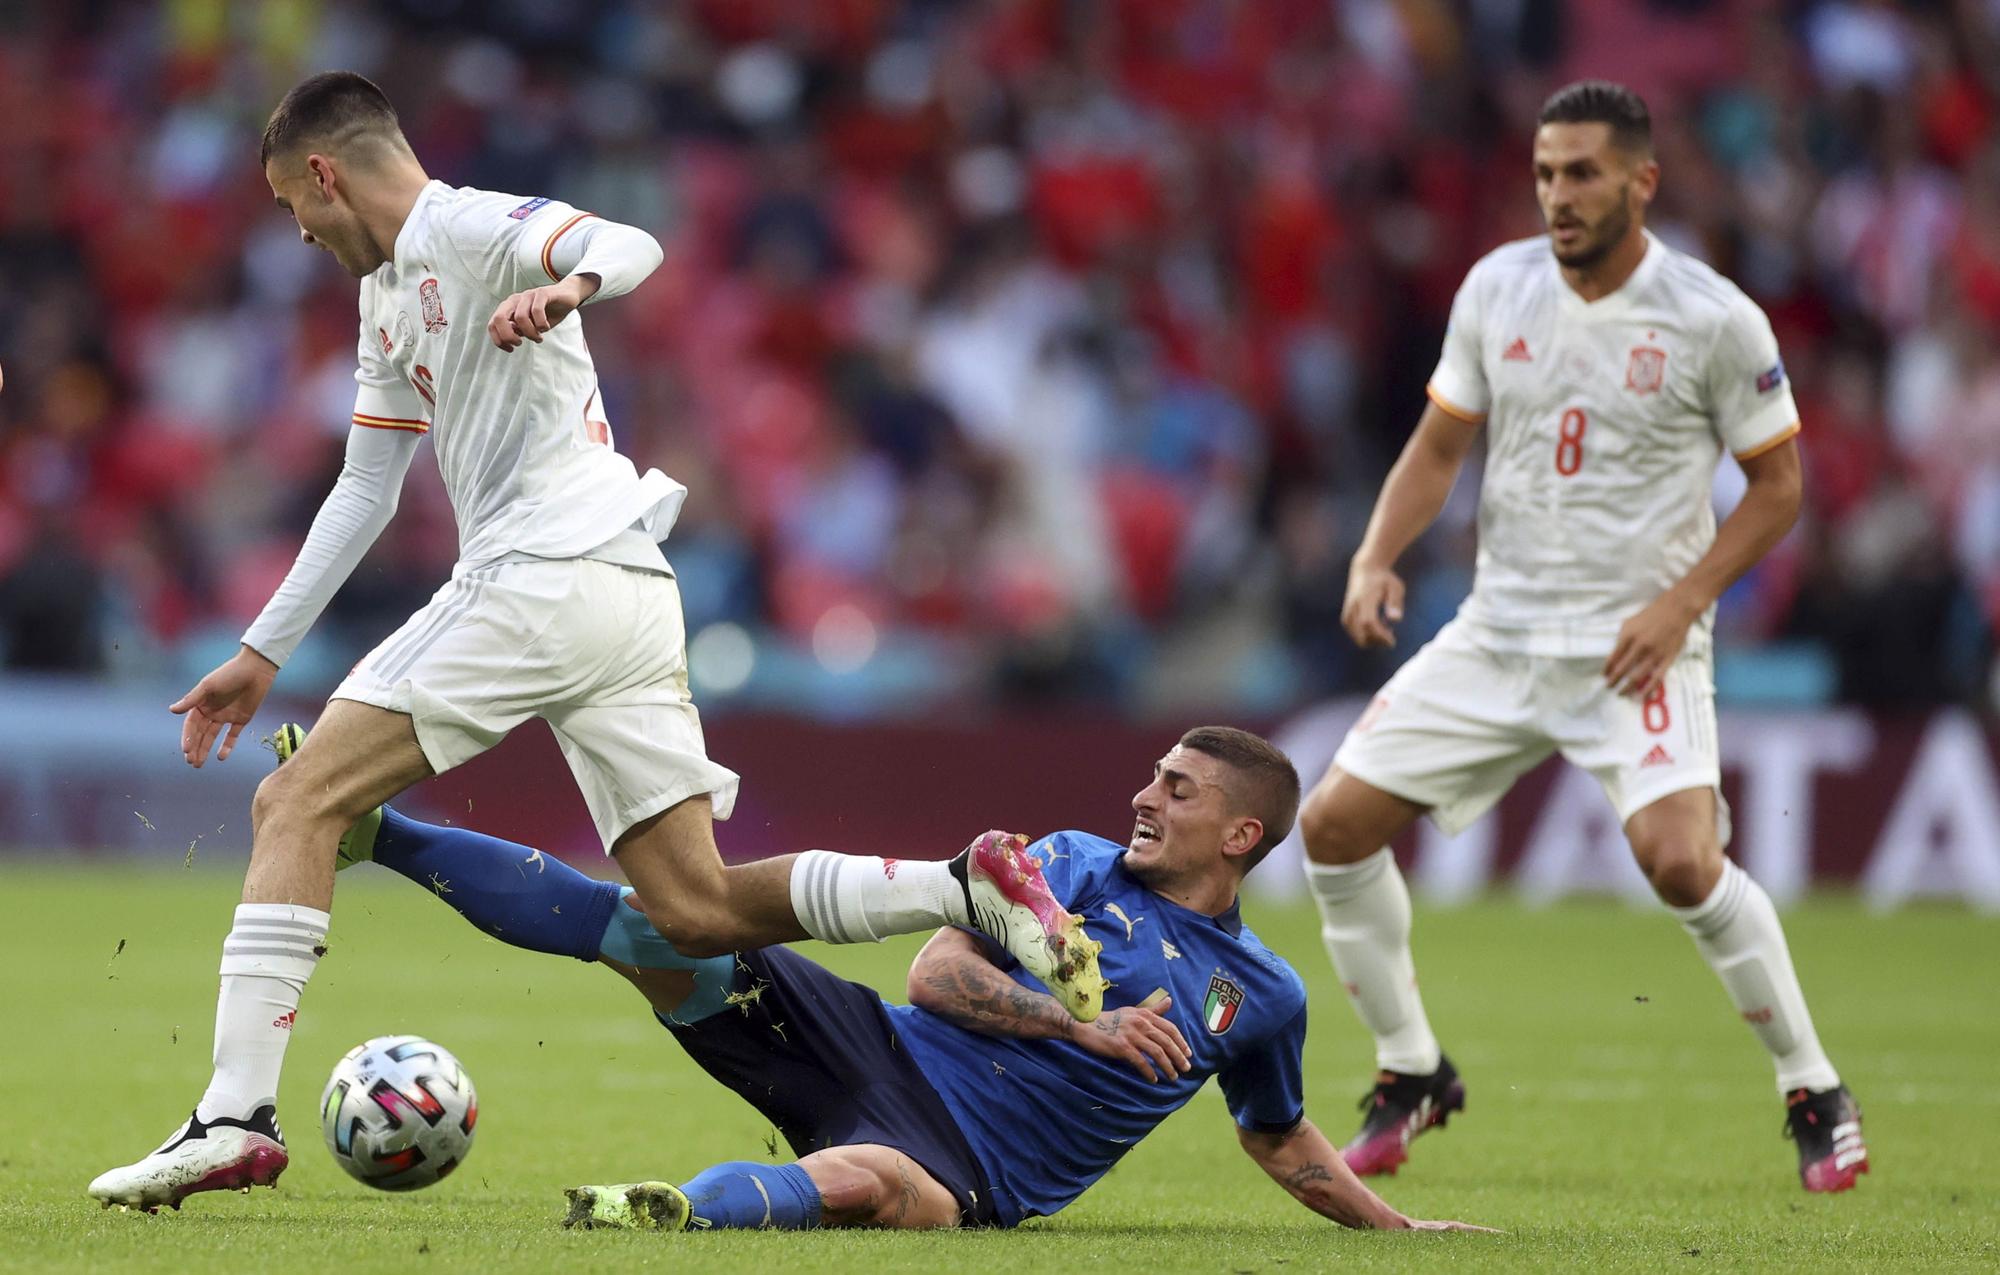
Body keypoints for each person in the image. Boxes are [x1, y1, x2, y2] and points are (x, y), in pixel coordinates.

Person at [88, 72, 1102, 1213]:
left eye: (291, 206)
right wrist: (262, 651)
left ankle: (232, 1117)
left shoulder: (466, 224)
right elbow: (365, 489)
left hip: (540, 575)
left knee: (296, 805)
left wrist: (566, 287)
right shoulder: (387, 299)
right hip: (622, 584)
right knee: (696, 910)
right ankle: (967, 883)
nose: (302, 232)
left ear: (324, 173)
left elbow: (629, 242)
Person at [1296, 81, 1867, 1193]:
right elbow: (1434, 446)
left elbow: (1776, 488)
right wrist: (1374, 556)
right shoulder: (1495, 286)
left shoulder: (1711, 317)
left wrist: (1678, 604)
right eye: (1546, 172)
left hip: (1633, 645)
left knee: (1679, 862)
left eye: (1583, 173)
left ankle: (1811, 1086)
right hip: (1499, 630)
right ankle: (1411, 1071)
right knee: (1330, 825)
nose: (1558, 195)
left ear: (1640, 182)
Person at [259, 722, 1489, 1233]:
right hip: (878, 1045)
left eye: (1178, 790)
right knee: (649, 932)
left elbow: (1276, 1140)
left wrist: (1394, 1225)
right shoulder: (1070, 868)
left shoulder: (1260, 996)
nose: (1142, 796)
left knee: (869, 1182)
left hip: (977, 1170)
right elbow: (938, 967)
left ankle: (664, 1211)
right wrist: (1086, 1027)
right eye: (1151, 776)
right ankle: (377, 830)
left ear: (1241, 837)